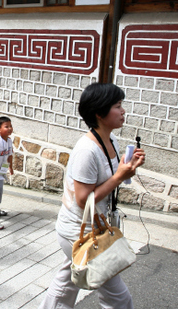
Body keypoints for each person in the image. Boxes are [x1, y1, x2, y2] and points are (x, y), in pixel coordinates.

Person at [38, 83, 145, 309]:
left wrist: (129, 167)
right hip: (79, 231)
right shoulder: (87, 150)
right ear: (99, 112)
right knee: (118, 296)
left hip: (93, 227)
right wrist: (118, 177)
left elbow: (116, 176)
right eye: (118, 106)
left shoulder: (111, 140)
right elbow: (82, 199)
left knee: (67, 283)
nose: (123, 111)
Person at [0, 116, 14, 219]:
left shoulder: (9, 141)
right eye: (6, 126)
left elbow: (10, 155)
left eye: (10, 126)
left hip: (3, 168)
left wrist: (10, 167)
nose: (10, 128)